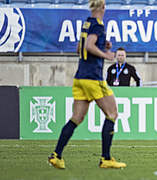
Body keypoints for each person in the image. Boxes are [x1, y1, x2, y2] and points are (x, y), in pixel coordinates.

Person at [48, 0, 126, 169]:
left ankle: (56, 155)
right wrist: (106, 54)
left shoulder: (86, 24)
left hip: (80, 77)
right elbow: (89, 46)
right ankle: (106, 158)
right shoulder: (98, 25)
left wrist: (101, 45)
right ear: (103, 7)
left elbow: (80, 48)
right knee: (112, 113)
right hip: (92, 77)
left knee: (76, 118)